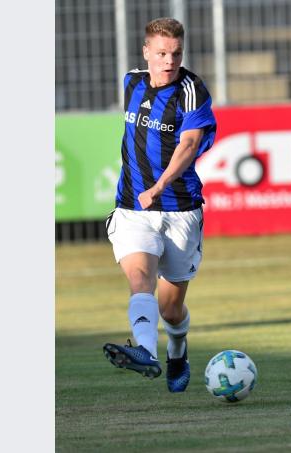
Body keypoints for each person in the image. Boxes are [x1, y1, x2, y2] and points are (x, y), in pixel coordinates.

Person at [102, 17, 216, 393]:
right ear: (147, 52)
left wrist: (160, 185)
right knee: (140, 280)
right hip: (133, 209)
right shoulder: (131, 82)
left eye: (177, 53)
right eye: (163, 53)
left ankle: (177, 350)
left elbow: (187, 146)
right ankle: (147, 353)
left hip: (180, 210)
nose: (170, 61)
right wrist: (144, 191)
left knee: (171, 308)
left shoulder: (192, 91)